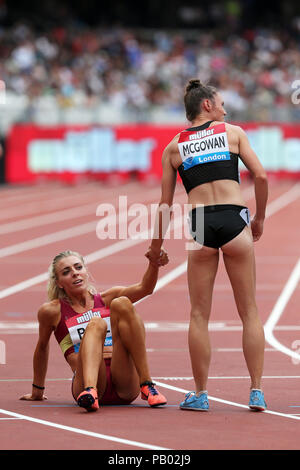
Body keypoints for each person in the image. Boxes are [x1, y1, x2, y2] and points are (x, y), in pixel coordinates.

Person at [146, 79, 268, 412]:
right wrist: (258, 220)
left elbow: (164, 204)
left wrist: (156, 249)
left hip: (200, 224)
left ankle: (200, 395)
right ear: (207, 105)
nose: (226, 108)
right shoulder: (232, 132)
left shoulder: (173, 147)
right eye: (222, 103)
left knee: (199, 315)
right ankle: (256, 392)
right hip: (233, 219)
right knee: (250, 312)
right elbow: (261, 177)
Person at [20, 249, 169, 411]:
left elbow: (145, 288)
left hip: (123, 379)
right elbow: (42, 347)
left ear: (86, 272)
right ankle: (90, 391)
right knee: (96, 323)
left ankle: (147, 385)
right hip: (87, 380)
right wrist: (37, 391)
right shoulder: (52, 311)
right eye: (66, 272)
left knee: (123, 303)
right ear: (59, 283)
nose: (75, 273)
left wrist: (154, 264)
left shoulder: (108, 298)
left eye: (78, 268)